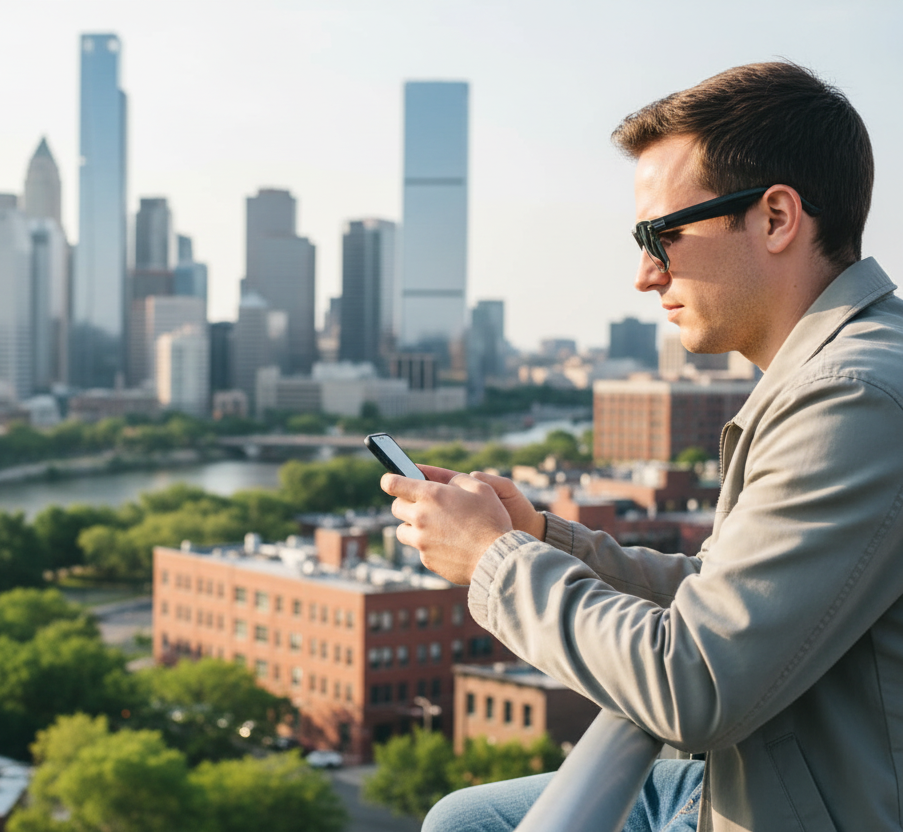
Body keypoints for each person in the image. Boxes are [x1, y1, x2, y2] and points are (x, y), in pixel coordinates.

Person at [383, 62, 898, 832]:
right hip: (767, 775)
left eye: (664, 235)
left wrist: (492, 559)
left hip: (804, 803)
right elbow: (725, 594)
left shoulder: (851, 399)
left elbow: (696, 685)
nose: (645, 274)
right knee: (465, 819)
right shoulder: (836, 374)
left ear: (776, 218)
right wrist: (540, 536)